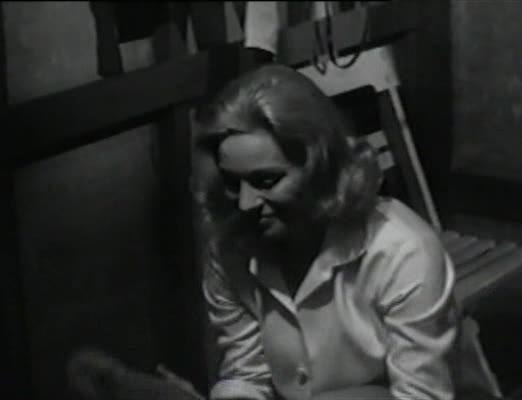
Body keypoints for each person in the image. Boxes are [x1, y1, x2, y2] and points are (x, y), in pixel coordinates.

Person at [192, 63, 501, 400]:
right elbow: (246, 373)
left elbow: (420, 395)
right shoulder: (230, 247)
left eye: (266, 180)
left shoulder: (403, 251)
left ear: (320, 167)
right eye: (232, 183)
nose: (245, 204)